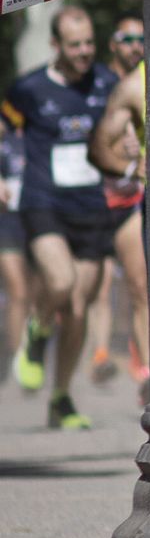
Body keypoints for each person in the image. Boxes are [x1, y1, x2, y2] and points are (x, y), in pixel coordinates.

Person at [2, 6, 119, 428]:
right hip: (42, 199)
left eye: (89, 42)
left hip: (89, 206)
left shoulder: (107, 83)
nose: (85, 51)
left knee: (78, 309)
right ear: (55, 45)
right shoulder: (29, 89)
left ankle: (62, 396)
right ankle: (37, 328)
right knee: (60, 282)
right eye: (75, 45)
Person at [86, 13, 148, 395]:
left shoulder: (147, 82)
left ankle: (145, 373)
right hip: (93, 197)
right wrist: (120, 156)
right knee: (95, 285)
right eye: (126, 38)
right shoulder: (98, 84)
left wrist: (134, 160)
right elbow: (94, 143)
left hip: (129, 197)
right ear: (113, 44)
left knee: (139, 284)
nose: (134, 46)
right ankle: (100, 353)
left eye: (140, 39)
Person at [0, 128, 33, 390]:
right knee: (18, 292)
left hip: (35, 219)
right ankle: (15, 356)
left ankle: (29, 352)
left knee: (35, 292)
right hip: (6, 221)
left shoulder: (35, 134)